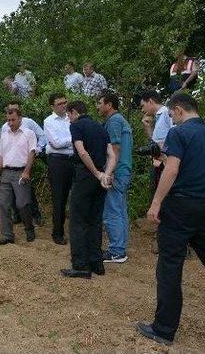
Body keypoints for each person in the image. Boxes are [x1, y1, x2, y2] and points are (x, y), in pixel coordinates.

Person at [136, 93, 205, 346]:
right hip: (202, 205)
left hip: (179, 205)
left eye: (171, 115)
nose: (171, 119)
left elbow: (172, 169)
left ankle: (163, 330)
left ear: (179, 110)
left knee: (170, 266)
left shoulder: (179, 133)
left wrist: (156, 202)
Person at [60, 101, 116, 279]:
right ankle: (96, 263)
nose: (69, 119)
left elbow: (82, 152)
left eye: (69, 115)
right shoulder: (101, 127)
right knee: (94, 220)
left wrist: (97, 174)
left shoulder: (76, 126)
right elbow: (112, 154)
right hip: (100, 177)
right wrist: (105, 174)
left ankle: (81, 266)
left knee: (78, 220)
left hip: (85, 175)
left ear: (74, 112)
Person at [97, 91, 133, 264]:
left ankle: (117, 251)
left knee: (112, 211)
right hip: (122, 171)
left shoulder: (114, 121)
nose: (97, 106)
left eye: (100, 103)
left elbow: (115, 150)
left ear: (109, 105)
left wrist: (108, 173)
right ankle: (120, 248)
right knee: (119, 210)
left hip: (117, 172)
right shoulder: (119, 120)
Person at [0, 109, 37, 244]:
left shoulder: (29, 134)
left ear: (20, 119)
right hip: (5, 173)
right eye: (8, 120)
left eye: (13, 120)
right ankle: (7, 235)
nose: (10, 123)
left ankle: (29, 228)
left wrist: (26, 171)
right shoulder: (4, 134)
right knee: (3, 204)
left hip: (21, 172)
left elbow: (32, 153)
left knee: (22, 204)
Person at [3, 101, 46, 226]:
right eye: (10, 109)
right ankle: (17, 215)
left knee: (27, 189)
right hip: (11, 163)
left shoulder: (29, 122)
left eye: (15, 109)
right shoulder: (5, 126)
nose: (12, 111)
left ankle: (36, 215)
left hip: (26, 161)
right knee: (11, 190)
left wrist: (37, 149)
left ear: (19, 111)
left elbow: (42, 136)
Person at [44, 93, 74, 245]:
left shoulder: (72, 117)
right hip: (57, 162)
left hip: (74, 160)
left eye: (65, 102)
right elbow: (56, 143)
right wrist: (74, 138)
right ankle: (58, 233)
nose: (64, 105)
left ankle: (76, 232)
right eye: (60, 103)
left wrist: (70, 141)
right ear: (52, 107)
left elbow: (69, 141)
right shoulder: (48, 121)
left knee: (76, 197)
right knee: (59, 199)